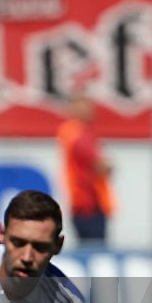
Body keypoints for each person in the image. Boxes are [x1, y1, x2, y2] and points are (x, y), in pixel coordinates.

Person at [56, 92, 115, 244]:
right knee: (95, 248)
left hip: (83, 203)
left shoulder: (74, 132)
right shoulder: (77, 133)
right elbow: (100, 165)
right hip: (88, 203)